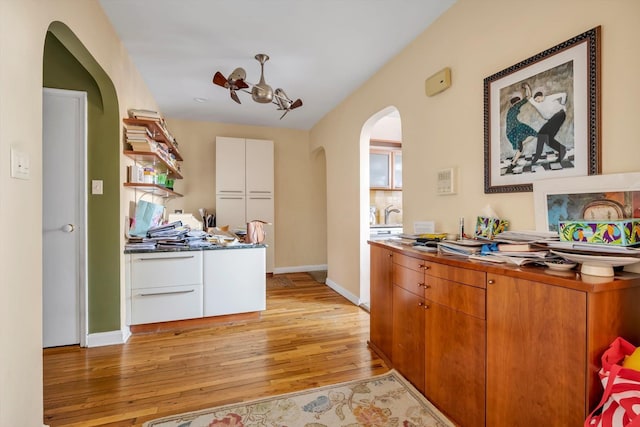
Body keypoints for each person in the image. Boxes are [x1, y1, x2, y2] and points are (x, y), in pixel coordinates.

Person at [523, 83, 567, 165]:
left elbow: (563, 94)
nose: (538, 101)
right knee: (541, 135)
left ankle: (562, 150)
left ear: (542, 96)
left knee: (547, 138)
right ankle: (538, 155)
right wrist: (527, 87)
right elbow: (529, 97)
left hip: (559, 115)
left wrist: (563, 104)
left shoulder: (549, 98)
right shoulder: (537, 103)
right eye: (536, 100)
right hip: (552, 120)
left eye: (538, 99)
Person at [505, 93, 537, 168]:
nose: (519, 104)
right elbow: (528, 97)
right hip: (514, 130)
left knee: (533, 134)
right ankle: (513, 163)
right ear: (516, 102)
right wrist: (527, 87)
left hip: (511, 131)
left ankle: (514, 160)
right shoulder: (515, 107)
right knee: (521, 147)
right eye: (518, 102)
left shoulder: (511, 109)